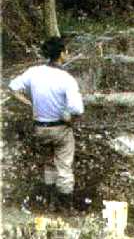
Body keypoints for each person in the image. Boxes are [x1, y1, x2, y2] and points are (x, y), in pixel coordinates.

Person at [9, 37, 84, 212]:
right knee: (64, 166)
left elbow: (12, 87)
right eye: (67, 51)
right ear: (62, 54)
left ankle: (49, 204)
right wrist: (69, 118)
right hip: (59, 128)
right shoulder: (66, 78)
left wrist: (30, 104)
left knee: (49, 165)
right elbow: (77, 108)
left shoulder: (34, 72)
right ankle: (65, 208)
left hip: (39, 128)